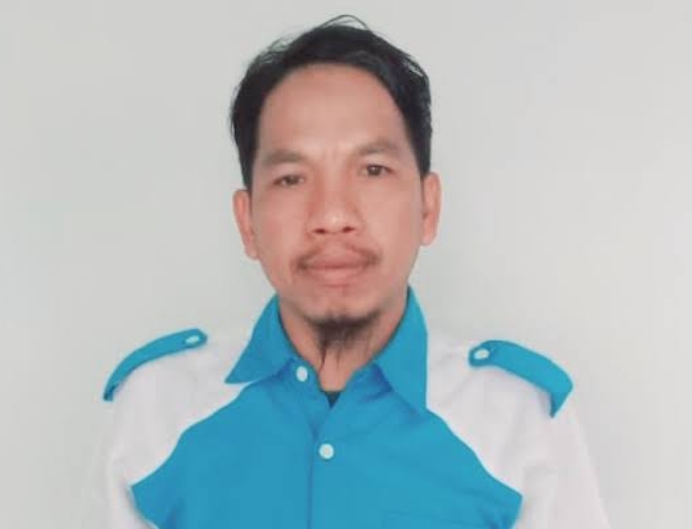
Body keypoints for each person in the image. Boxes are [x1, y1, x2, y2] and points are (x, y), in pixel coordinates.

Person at [87, 15, 610, 529]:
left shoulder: (521, 423)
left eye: (372, 170)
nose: (333, 216)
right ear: (248, 223)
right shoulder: (154, 412)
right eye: (292, 178)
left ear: (428, 208)